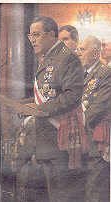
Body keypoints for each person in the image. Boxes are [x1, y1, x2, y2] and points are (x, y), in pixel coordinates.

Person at [25, 16, 84, 202]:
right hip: (46, 141)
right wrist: (24, 106)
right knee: (52, 195)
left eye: (36, 34)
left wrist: (39, 108)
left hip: (61, 138)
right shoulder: (47, 58)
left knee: (63, 196)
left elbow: (72, 96)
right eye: (30, 36)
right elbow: (47, 95)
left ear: (51, 35)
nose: (32, 40)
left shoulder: (67, 58)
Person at [77, 35, 111, 202]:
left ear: (96, 53)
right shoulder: (81, 74)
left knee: (95, 192)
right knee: (83, 191)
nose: (78, 52)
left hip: (96, 140)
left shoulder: (106, 73)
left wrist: (73, 123)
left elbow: (100, 106)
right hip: (80, 141)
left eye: (82, 49)